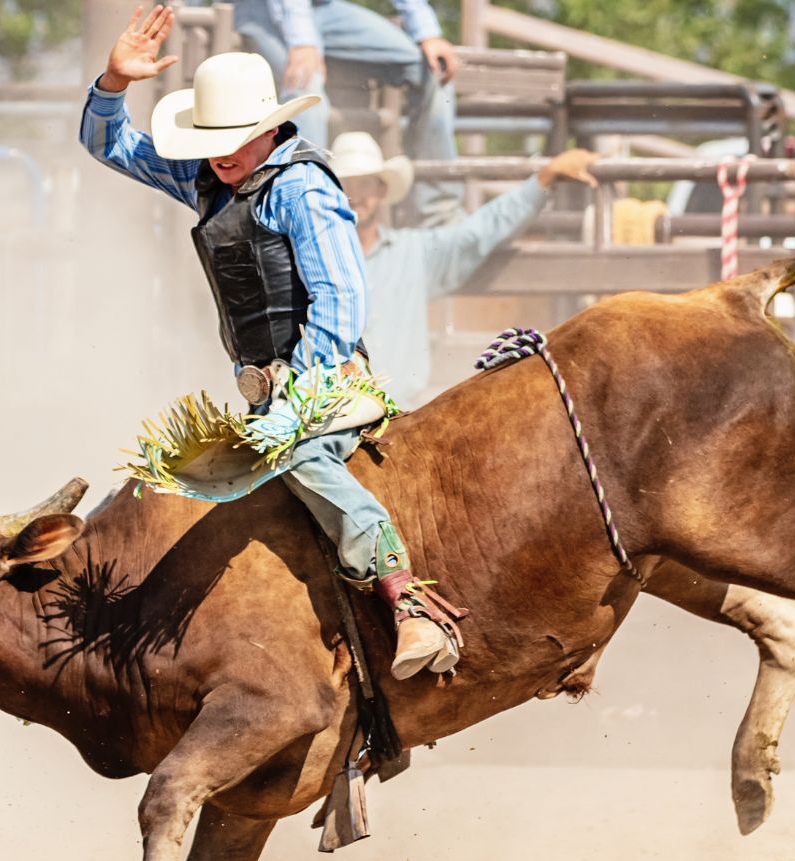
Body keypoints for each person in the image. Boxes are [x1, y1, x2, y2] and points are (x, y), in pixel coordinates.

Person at [81, 5, 461, 677]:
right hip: (269, 395)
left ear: (269, 128)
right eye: (211, 136)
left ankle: (410, 601)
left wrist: (294, 406)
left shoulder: (303, 188)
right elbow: (110, 146)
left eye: (234, 135)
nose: (221, 150)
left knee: (302, 458)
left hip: (329, 383)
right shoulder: (208, 175)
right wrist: (113, 84)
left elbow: (342, 301)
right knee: (183, 481)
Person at [330, 131, 599, 407]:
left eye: (365, 184)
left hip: (399, 414)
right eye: (346, 184)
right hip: (338, 411)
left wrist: (543, 179)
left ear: (381, 190)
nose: (356, 194)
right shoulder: (320, 256)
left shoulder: (412, 252)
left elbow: (476, 234)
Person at [227, 0, 464, 224]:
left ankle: (436, 214)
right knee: (306, 91)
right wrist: (302, 41)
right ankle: (308, 212)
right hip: (264, 10)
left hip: (324, 10)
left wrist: (427, 32)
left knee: (433, 70)